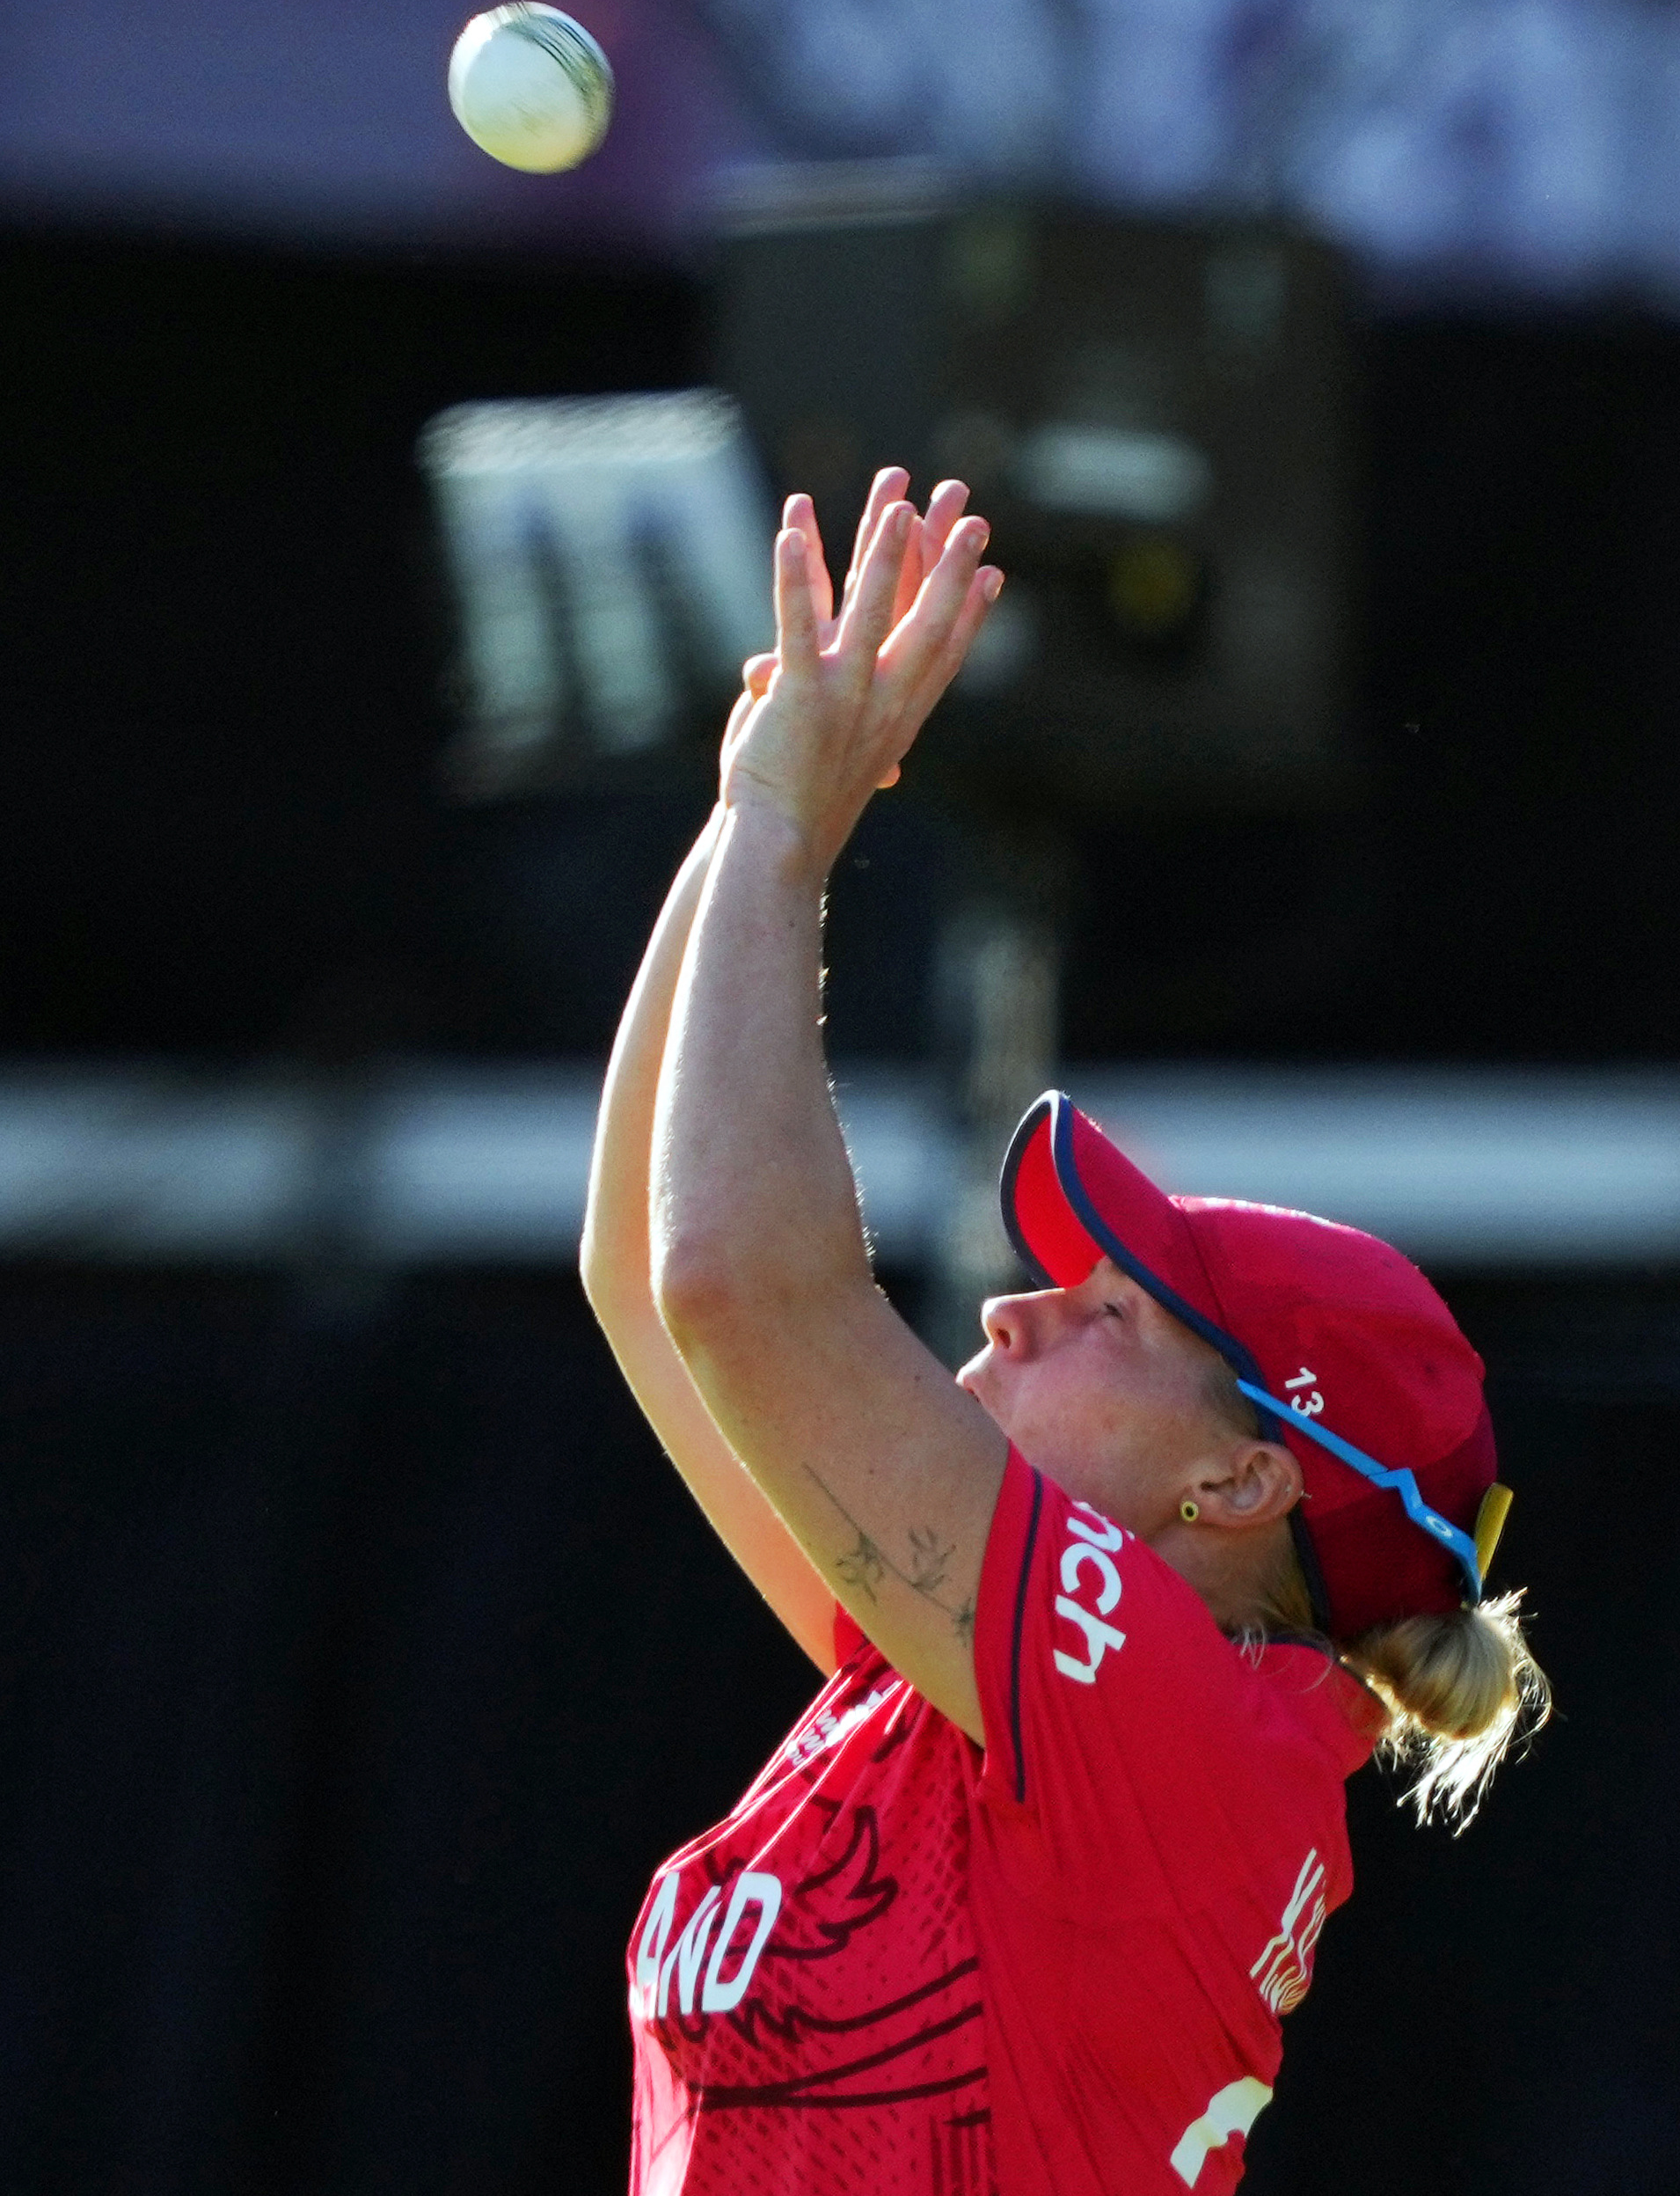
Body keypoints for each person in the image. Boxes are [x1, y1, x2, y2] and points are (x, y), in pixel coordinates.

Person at [581, 470, 1548, 2196]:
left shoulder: (1174, 1733)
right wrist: (746, 820)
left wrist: (788, 837)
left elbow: (736, 1282)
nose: (1016, 1305)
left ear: (1247, 1470)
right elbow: (644, 1277)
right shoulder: (986, 1694)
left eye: (1112, 1311)